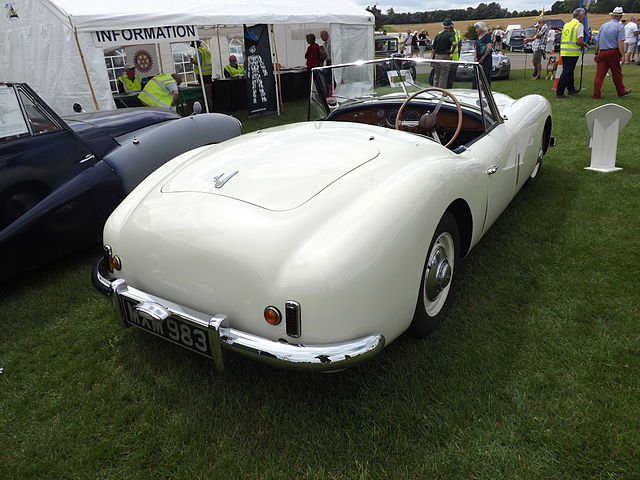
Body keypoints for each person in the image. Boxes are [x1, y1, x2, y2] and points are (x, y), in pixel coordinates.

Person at [593, 7, 631, 98]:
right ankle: (621, 91)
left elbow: (598, 41)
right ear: (620, 16)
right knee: (616, 73)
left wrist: (596, 53)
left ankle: (596, 93)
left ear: (612, 15)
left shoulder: (603, 25)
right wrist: (623, 55)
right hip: (613, 52)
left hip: (602, 52)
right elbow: (620, 42)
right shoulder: (620, 26)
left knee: (600, 74)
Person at [556, 8, 588, 98]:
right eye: (583, 15)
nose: (584, 16)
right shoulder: (579, 25)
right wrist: (585, 44)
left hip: (564, 51)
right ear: (580, 15)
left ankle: (571, 89)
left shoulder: (567, 25)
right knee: (567, 72)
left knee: (569, 71)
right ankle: (560, 92)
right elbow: (579, 41)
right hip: (572, 52)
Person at [431, 19, 457, 88]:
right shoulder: (450, 35)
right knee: (443, 77)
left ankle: (435, 90)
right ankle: (441, 92)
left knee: (436, 76)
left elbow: (433, 49)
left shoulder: (438, 35)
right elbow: (454, 44)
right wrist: (452, 51)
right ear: (451, 26)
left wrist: (432, 58)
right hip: (445, 57)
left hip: (436, 57)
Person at [474, 22, 493, 87]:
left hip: (486, 59)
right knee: (476, 76)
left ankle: (485, 91)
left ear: (481, 29)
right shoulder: (478, 37)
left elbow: (489, 48)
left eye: (477, 28)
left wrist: (483, 57)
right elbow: (476, 48)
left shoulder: (487, 36)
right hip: (478, 60)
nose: (476, 30)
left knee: (485, 76)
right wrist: (475, 57)